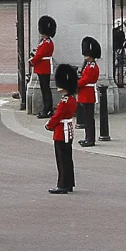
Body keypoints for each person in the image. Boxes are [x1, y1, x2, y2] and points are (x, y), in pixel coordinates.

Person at [46, 64, 78, 194]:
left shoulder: (65, 101)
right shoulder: (70, 99)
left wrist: (48, 125)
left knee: (62, 160)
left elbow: (57, 117)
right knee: (67, 159)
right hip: (67, 130)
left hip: (61, 132)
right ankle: (69, 183)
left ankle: (63, 185)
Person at [76, 37, 102, 147]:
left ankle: (90, 139)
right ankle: (87, 137)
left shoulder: (92, 67)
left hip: (88, 93)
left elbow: (86, 80)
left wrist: (75, 83)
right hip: (85, 93)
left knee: (89, 118)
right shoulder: (88, 65)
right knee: (86, 119)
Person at [30, 16, 56, 116]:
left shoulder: (46, 43)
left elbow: (40, 55)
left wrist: (32, 61)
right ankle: (47, 108)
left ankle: (47, 109)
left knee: (45, 89)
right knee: (45, 89)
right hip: (43, 67)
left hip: (43, 68)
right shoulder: (45, 42)